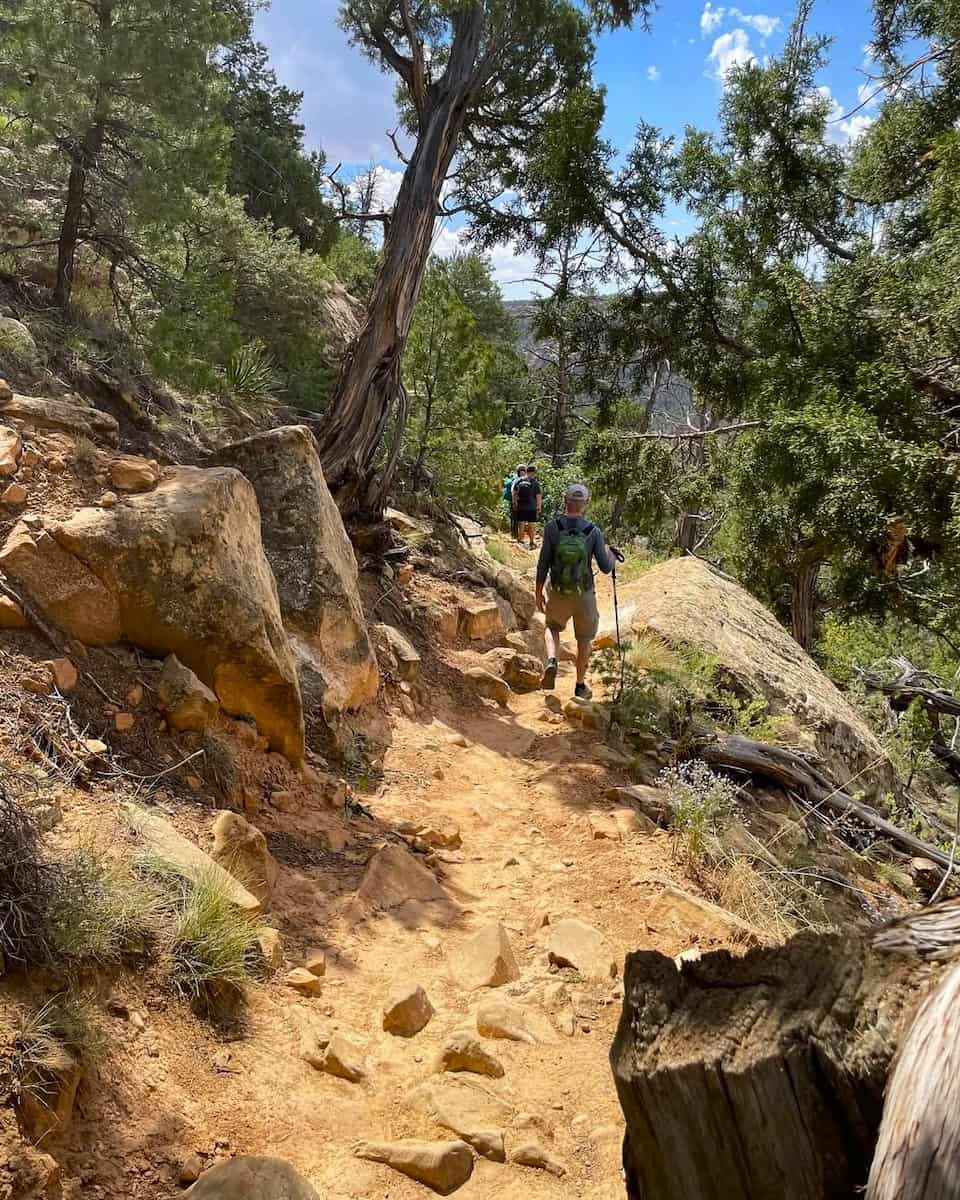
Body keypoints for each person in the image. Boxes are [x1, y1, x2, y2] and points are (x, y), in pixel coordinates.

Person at [535, 482, 615, 700]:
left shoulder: (552, 527)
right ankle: (580, 685)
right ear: (585, 504)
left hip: (559, 591)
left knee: (552, 627)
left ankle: (552, 660)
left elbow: (543, 562)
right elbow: (606, 567)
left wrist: (538, 591)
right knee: (584, 639)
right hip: (584, 593)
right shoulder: (593, 531)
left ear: (565, 501)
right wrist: (613, 556)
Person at [512, 462, 542, 550]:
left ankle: (520, 540)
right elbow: (538, 496)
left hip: (521, 506)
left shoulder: (519, 480)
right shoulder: (535, 482)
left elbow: (514, 493)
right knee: (532, 524)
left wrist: (515, 503)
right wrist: (539, 506)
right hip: (532, 507)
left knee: (521, 523)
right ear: (533, 472)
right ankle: (531, 542)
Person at [502, 463, 525, 541]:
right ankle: (515, 535)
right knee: (516, 518)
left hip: (515, 501)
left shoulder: (515, 478)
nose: (523, 472)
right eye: (522, 471)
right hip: (516, 501)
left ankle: (515, 534)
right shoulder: (517, 480)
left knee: (515, 518)